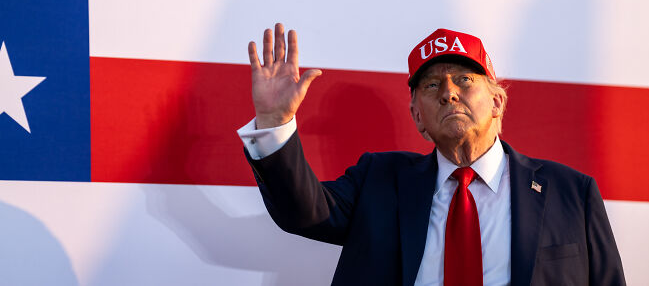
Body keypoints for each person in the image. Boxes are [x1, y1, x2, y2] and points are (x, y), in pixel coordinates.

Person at [237, 23, 626, 286]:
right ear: (418, 117)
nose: (449, 92)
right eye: (433, 85)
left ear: (496, 101)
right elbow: (304, 212)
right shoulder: (379, 180)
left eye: (465, 79)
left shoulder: (572, 193)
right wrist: (275, 121)